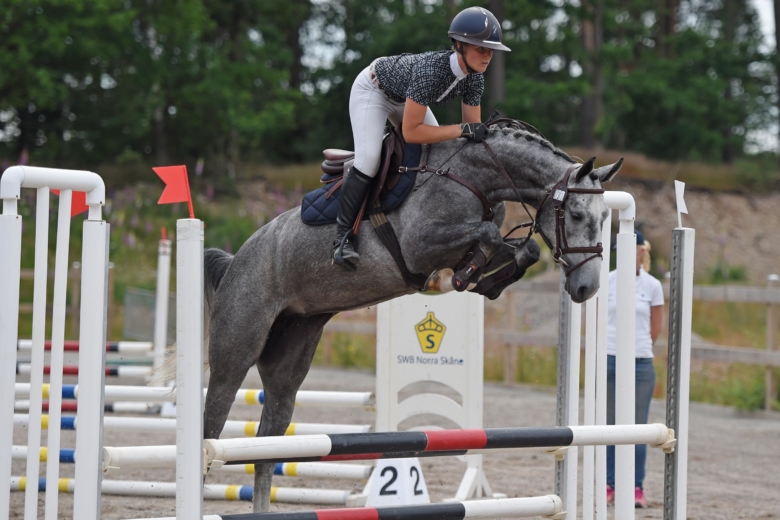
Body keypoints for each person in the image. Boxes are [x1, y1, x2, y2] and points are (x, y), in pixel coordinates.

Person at [332, 6, 512, 269]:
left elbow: (471, 131)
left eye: (491, 50)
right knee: (369, 159)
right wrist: (462, 130)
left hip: (406, 98)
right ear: (459, 45)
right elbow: (412, 132)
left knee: (439, 154)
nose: (487, 56)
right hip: (374, 91)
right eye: (481, 48)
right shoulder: (432, 71)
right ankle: (342, 240)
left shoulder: (475, 79)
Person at [606, 231, 664, 508]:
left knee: (638, 426)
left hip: (640, 361)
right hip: (609, 357)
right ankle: (609, 482)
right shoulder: (607, 281)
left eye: (632, 249)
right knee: (608, 425)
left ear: (642, 251)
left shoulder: (652, 285)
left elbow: (655, 326)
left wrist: (638, 348)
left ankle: (636, 486)